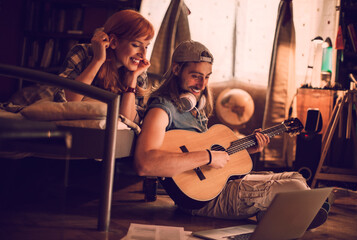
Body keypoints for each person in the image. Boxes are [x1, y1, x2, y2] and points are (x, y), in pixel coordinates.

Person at [134, 40, 329, 229]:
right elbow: (145, 164)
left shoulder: (193, 109)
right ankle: (280, 212)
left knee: (297, 178)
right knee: (295, 189)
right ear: (176, 69)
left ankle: (273, 212)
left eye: (207, 76)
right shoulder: (162, 110)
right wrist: (209, 156)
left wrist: (248, 148)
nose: (202, 84)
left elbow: (213, 164)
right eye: (195, 75)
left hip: (221, 185)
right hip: (203, 200)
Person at [58, 9, 155, 123]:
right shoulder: (83, 53)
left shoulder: (139, 72)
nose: (143, 54)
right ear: (113, 42)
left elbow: (128, 122)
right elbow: (68, 101)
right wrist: (98, 60)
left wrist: (132, 79)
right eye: (136, 45)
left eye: (146, 47)